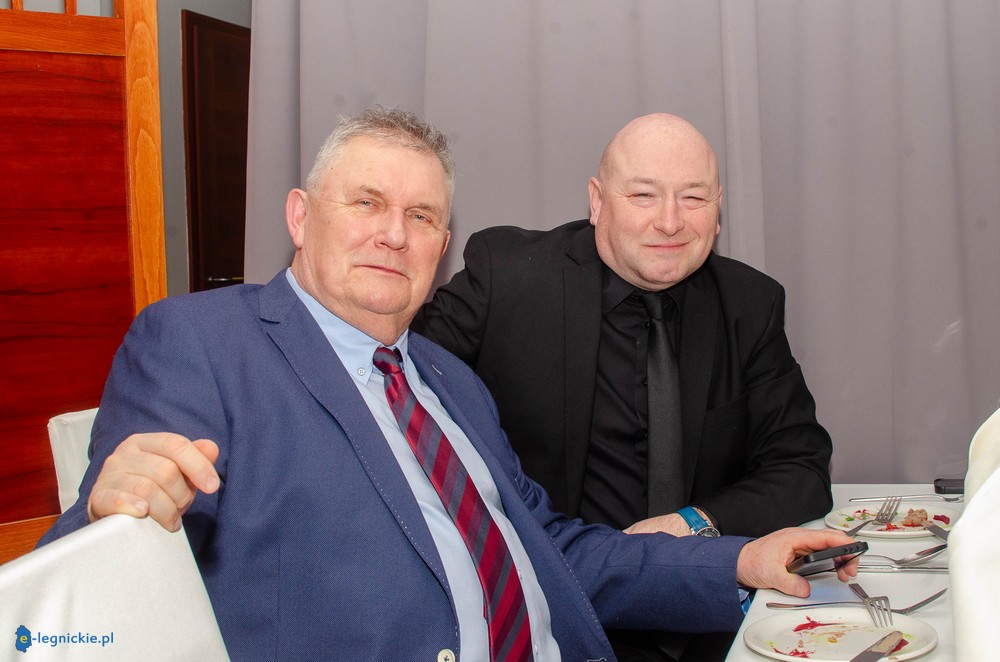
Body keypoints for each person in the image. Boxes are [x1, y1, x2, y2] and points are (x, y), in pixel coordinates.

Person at [40, 107, 855, 662]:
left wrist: (741, 560)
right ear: (299, 216)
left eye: (423, 216)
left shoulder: (450, 381)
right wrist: (108, 516)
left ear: (442, 243)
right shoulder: (203, 341)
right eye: (367, 203)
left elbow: (554, 552)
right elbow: (79, 601)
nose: (395, 235)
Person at [411, 113, 834, 659]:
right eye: (643, 195)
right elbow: (397, 383)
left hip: (709, 619)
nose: (670, 222)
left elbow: (801, 466)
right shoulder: (507, 277)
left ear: (718, 209)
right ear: (597, 201)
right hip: (552, 614)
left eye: (693, 198)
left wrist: (694, 525)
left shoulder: (749, 304)